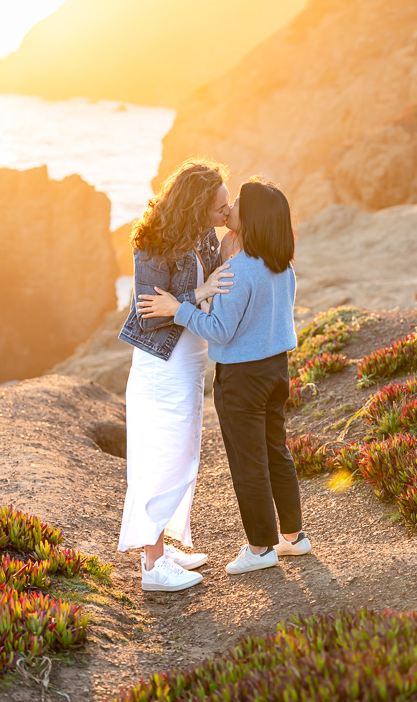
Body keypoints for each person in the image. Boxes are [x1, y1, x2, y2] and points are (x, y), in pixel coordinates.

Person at [137, 178, 311, 576]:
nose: (228, 208)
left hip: (242, 380)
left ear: (249, 219)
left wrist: (175, 309)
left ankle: (260, 547)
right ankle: (293, 538)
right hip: (276, 371)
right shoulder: (281, 264)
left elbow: (219, 330)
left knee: (249, 463)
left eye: (235, 205)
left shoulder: (238, 269)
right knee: (276, 452)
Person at [117, 159, 234, 592]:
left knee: (183, 454)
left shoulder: (204, 233)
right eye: (220, 207)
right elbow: (149, 316)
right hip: (160, 366)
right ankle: (152, 567)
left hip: (190, 362)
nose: (226, 214)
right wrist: (199, 293)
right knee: (161, 458)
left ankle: (164, 545)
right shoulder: (152, 240)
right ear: (198, 205)